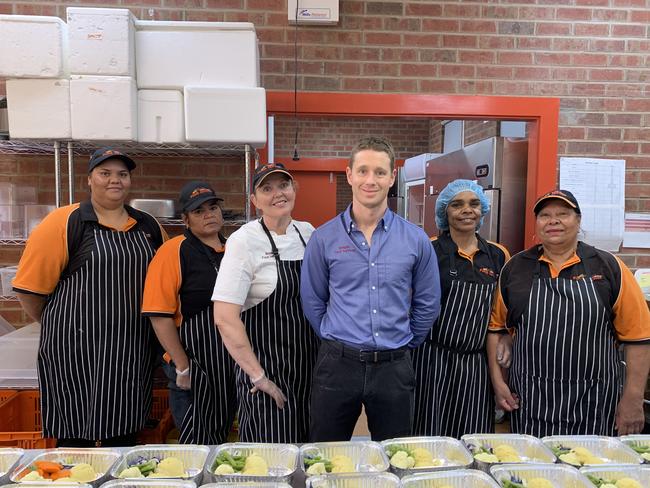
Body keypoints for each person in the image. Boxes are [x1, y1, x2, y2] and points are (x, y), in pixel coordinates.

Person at [12, 147, 166, 446]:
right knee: (74, 439)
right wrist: (63, 326)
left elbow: (164, 283)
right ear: (89, 179)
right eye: (105, 173)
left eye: (122, 174)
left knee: (124, 433)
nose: (115, 180)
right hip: (73, 352)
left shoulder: (149, 226)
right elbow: (29, 292)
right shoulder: (64, 222)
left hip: (130, 349)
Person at [301, 136, 441, 442]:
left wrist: (404, 341)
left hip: (393, 367)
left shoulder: (415, 239)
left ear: (392, 178)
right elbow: (312, 300)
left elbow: (428, 303)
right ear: (349, 175)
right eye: (363, 171)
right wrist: (332, 335)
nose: (370, 180)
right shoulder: (323, 238)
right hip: (338, 365)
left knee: (395, 454)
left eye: (380, 172)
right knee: (325, 453)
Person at [488, 189, 650, 437]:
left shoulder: (608, 267)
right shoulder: (516, 268)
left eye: (563, 214)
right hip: (532, 400)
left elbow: (638, 339)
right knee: (531, 470)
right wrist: (499, 384)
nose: (553, 220)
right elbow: (497, 329)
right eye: (545, 215)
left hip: (593, 400)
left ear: (578, 220)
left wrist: (633, 398)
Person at [213, 162, 318, 443]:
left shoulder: (309, 233)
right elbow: (224, 317)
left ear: (294, 189)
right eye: (266, 188)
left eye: (283, 185)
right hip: (267, 373)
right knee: (270, 461)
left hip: (311, 372)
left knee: (312, 458)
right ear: (254, 201)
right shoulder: (244, 241)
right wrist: (258, 377)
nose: (278, 194)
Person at [412, 179, 509, 438]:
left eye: (474, 204)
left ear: (483, 210)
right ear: (445, 211)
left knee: (473, 437)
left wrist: (507, 339)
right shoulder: (428, 251)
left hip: (476, 364)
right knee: (428, 435)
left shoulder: (498, 255)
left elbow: (502, 311)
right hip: (430, 360)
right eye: (457, 205)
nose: (467, 210)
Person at [142, 181, 237, 444]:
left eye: (213, 207)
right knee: (198, 441)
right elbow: (158, 315)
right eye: (198, 211)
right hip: (193, 366)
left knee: (223, 436)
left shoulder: (234, 249)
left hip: (229, 362)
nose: (209, 214)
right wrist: (181, 364)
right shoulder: (173, 251)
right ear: (185, 219)